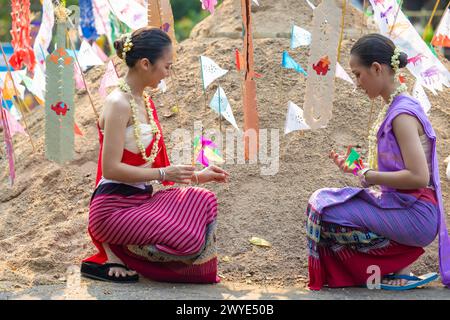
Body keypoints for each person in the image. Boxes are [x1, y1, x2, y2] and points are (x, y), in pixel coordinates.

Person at [80, 27, 229, 284]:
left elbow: (159, 165)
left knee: (204, 201)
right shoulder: (118, 103)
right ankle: (118, 251)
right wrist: (163, 174)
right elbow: (110, 170)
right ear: (146, 64)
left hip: (141, 199)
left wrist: (197, 176)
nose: (168, 73)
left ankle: (125, 250)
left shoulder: (143, 100)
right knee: (188, 238)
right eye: (167, 66)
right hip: (113, 210)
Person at [305, 33, 450, 291]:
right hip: (404, 207)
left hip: (416, 214)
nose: (357, 83)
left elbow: (418, 177)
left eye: (358, 74)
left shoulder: (402, 115)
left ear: (376, 68)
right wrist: (359, 169)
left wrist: (370, 175)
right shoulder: (394, 108)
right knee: (321, 204)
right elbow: (395, 170)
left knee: (325, 213)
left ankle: (399, 261)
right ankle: (396, 261)